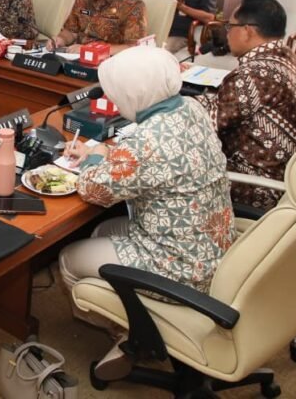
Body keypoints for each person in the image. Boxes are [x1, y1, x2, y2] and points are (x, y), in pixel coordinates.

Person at [58, 45, 234, 380]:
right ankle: (133, 318)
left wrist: (93, 159)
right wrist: (105, 153)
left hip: (179, 268)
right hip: (211, 246)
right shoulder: (191, 107)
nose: (114, 101)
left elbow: (93, 190)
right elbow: (150, 163)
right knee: (102, 231)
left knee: (68, 258)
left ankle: (136, 337)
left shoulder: (146, 141)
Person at [194, 0, 296, 211]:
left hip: (256, 185)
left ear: (247, 30)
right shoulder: (289, 57)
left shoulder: (254, 73)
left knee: (170, 164)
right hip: (282, 175)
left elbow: (202, 123)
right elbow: (230, 105)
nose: (227, 32)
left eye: (230, 26)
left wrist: (169, 101)